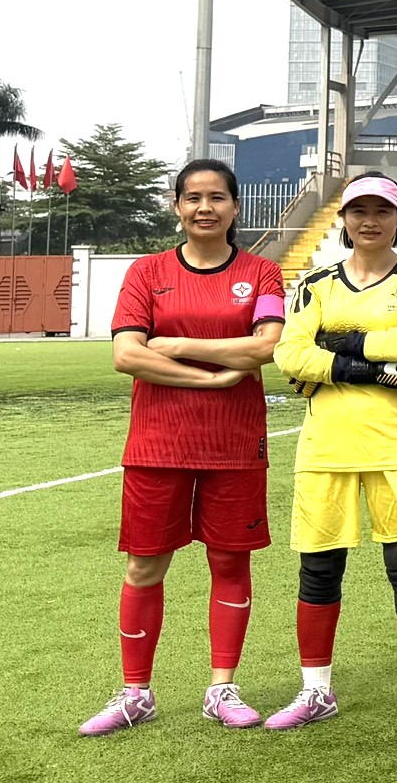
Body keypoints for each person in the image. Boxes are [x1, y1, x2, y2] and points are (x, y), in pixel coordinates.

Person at [79, 159, 286, 735]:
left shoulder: (262, 273)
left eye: (217, 197)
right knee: (144, 564)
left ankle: (222, 688)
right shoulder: (147, 272)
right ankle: (135, 693)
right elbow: (126, 355)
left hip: (234, 443)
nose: (204, 208)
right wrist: (212, 378)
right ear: (176, 207)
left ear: (235, 207)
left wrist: (174, 345)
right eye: (193, 197)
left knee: (230, 561)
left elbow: (266, 347)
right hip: (157, 443)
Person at [268, 174, 397, 730]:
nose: (369, 221)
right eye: (358, 211)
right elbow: (289, 354)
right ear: (343, 219)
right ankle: (315, 691)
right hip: (326, 445)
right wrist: (366, 368)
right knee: (319, 569)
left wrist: (340, 344)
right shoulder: (316, 282)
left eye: (381, 211)